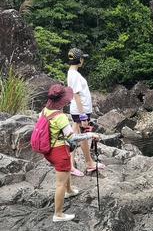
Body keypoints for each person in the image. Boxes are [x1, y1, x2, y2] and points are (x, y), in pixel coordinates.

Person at [42, 84, 100, 222]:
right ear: (61, 101)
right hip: (59, 151)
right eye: (66, 100)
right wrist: (90, 134)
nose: (68, 101)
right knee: (59, 183)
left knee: (67, 168)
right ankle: (58, 214)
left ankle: (69, 191)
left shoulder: (45, 111)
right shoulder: (60, 117)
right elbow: (72, 137)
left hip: (49, 150)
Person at [67, 48, 105, 176]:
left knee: (75, 136)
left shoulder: (72, 73)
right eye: (82, 58)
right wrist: (83, 116)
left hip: (78, 111)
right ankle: (84, 164)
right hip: (80, 111)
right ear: (79, 60)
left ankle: (84, 163)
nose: (83, 60)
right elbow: (77, 96)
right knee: (80, 137)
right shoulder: (74, 75)